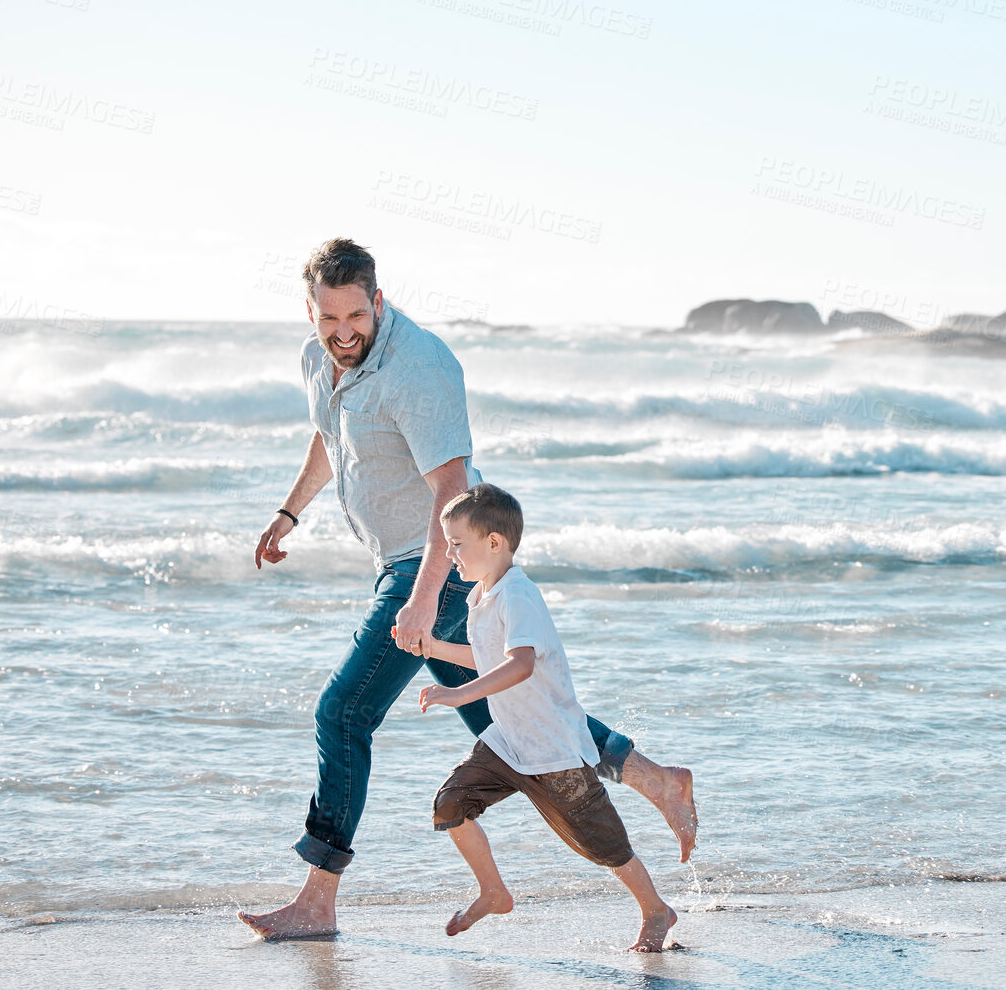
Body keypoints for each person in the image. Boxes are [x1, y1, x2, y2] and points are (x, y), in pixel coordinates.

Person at [240, 238, 695, 941]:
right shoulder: (320, 358)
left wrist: (423, 597)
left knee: (343, 714)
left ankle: (318, 898)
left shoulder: (419, 368)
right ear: (310, 311)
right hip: (404, 567)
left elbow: (451, 492)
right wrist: (289, 509)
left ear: (378, 301)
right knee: (515, 725)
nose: (343, 332)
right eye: (328, 319)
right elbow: (330, 439)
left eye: (356, 316)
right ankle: (653, 779)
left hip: (431, 564)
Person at [413, 483, 676, 951]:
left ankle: (656, 909)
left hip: (553, 749)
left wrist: (457, 695)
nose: (449, 554)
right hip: (508, 742)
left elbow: (520, 664)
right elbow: (487, 653)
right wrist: (432, 648)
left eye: (457, 544)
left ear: (494, 542)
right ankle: (493, 892)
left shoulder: (517, 595)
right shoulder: (484, 595)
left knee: (605, 844)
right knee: (450, 805)